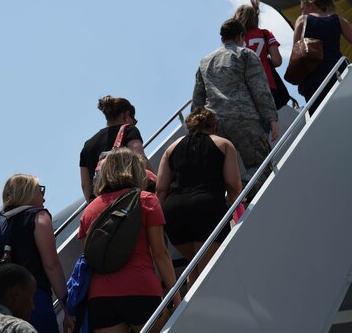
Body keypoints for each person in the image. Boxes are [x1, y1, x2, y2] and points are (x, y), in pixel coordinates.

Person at [77, 148, 181, 333]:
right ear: (135, 170)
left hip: (101, 298)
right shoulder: (146, 200)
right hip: (141, 289)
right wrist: (175, 293)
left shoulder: (89, 211)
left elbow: (90, 258)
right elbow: (160, 252)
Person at [192, 18, 278, 198]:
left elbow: (198, 98)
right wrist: (271, 118)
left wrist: (195, 130)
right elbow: (259, 88)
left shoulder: (205, 61)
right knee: (261, 166)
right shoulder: (245, 54)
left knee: (216, 171)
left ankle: (223, 202)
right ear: (241, 36)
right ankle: (242, 193)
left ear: (222, 38)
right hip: (244, 119)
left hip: (213, 125)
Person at [156, 108, 242, 287]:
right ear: (214, 126)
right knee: (207, 271)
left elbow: (161, 188)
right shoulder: (224, 144)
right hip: (207, 208)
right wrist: (238, 213)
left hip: (174, 211)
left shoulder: (171, 149)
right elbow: (233, 185)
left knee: (195, 264)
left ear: (189, 127)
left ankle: (189, 310)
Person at [1, 174, 74, 333]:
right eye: (40, 190)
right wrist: (68, 309)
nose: (44, 198)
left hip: (4, 309)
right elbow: (51, 265)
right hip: (33, 301)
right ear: (27, 192)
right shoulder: (38, 216)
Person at [80, 95, 153, 203]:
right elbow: (140, 160)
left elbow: (85, 185)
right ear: (127, 114)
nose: (133, 123)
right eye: (134, 120)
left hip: (99, 204)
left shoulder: (87, 145)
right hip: (125, 199)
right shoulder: (129, 130)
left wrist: (94, 203)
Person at [233, 0, 285, 108]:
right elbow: (277, 61)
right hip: (266, 84)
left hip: (243, 87)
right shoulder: (265, 34)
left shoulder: (234, 39)